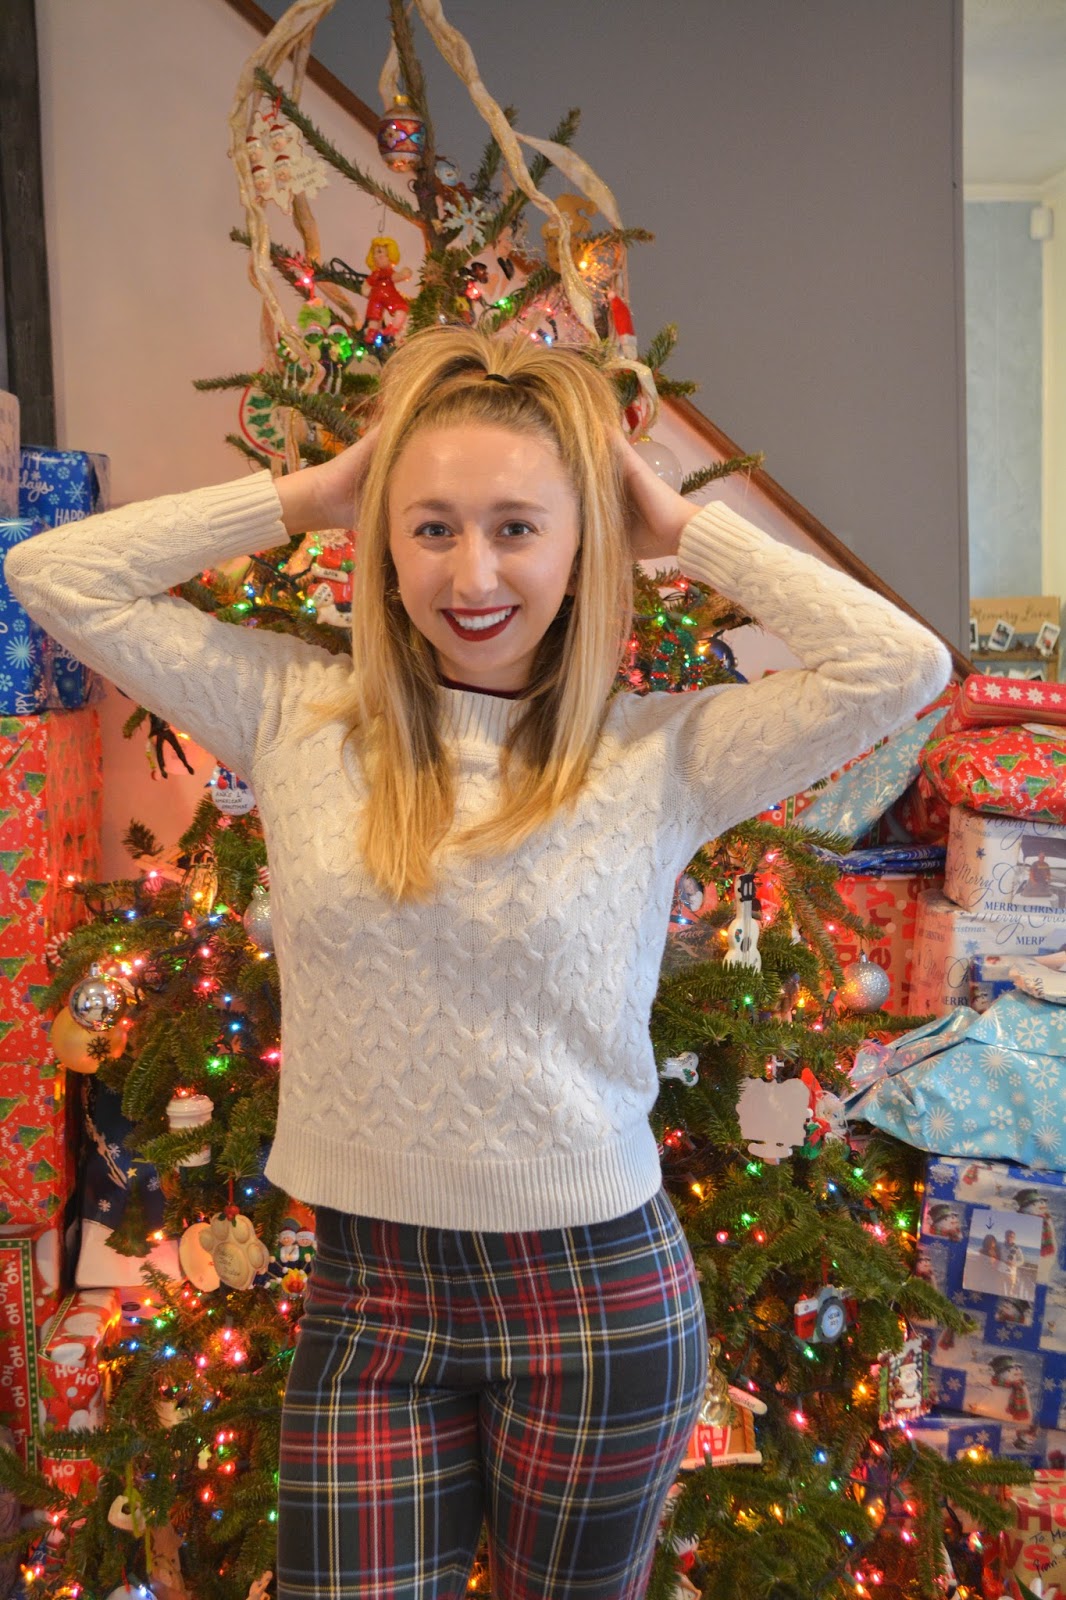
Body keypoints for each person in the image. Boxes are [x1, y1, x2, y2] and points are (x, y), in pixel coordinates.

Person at [3, 323, 952, 1599]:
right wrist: (312, 493)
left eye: (517, 527)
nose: (472, 572)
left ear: (582, 543)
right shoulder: (293, 713)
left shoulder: (659, 755)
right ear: (384, 543)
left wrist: (680, 524)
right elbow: (57, 573)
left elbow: (902, 665)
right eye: (432, 527)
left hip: (597, 1303)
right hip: (371, 1300)